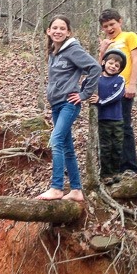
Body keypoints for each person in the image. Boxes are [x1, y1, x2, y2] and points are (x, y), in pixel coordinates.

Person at [36, 15, 101, 202]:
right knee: (66, 147)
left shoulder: (73, 50)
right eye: (54, 28)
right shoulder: (54, 52)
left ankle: (56, 188)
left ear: (68, 32)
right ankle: (76, 190)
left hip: (69, 104)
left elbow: (95, 68)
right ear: (48, 31)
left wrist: (83, 94)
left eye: (62, 28)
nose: (58, 31)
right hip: (56, 104)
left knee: (55, 140)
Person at [98, 8, 137, 176]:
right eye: (105, 26)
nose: (109, 28)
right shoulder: (106, 42)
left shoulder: (129, 37)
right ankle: (110, 168)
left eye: (112, 24)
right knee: (106, 129)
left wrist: (132, 84)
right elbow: (98, 67)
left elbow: (136, 59)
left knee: (123, 126)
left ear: (120, 22)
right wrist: (102, 50)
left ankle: (130, 166)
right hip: (105, 90)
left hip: (122, 89)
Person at [89, 49, 126, 184]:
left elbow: (118, 95)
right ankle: (106, 174)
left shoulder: (120, 79)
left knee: (117, 146)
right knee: (105, 147)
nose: (113, 67)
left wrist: (101, 101)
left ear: (120, 69)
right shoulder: (97, 79)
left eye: (117, 66)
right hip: (102, 119)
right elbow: (85, 88)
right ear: (104, 63)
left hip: (117, 119)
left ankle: (116, 171)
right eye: (110, 63)